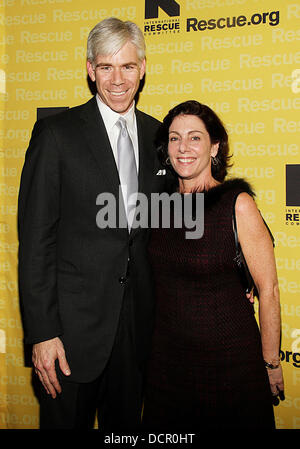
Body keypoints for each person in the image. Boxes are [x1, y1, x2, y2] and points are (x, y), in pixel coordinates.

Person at [18, 17, 168, 430]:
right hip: (70, 337)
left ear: (143, 68)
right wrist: (42, 334)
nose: (117, 79)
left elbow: (174, 229)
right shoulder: (55, 134)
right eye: (106, 67)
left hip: (137, 335)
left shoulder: (160, 138)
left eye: (127, 66)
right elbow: (35, 243)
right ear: (90, 70)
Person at [142, 100, 284, 430]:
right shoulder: (158, 206)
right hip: (166, 367)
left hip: (230, 365)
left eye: (195, 137)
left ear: (214, 146)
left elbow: (269, 290)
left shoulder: (237, 204)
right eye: (175, 138)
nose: (183, 147)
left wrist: (271, 362)